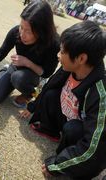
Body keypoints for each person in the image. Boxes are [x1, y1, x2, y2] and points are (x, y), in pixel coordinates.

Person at [21, 21, 106, 179]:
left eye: (62, 51)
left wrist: (57, 165)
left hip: (79, 134)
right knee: (50, 94)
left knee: (73, 128)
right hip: (67, 118)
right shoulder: (69, 66)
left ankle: (68, 154)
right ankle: (51, 130)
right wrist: (32, 107)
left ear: (81, 58)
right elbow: (49, 85)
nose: (58, 55)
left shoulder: (101, 94)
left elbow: (93, 149)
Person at [0, 0, 59, 107]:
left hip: (34, 75)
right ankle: (5, 70)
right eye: (21, 27)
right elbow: (2, 51)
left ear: (42, 31)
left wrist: (27, 63)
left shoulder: (53, 43)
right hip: (16, 67)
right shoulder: (16, 32)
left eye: (28, 31)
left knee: (19, 79)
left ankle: (28, 94)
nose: (22, 34)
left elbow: (47, 73)